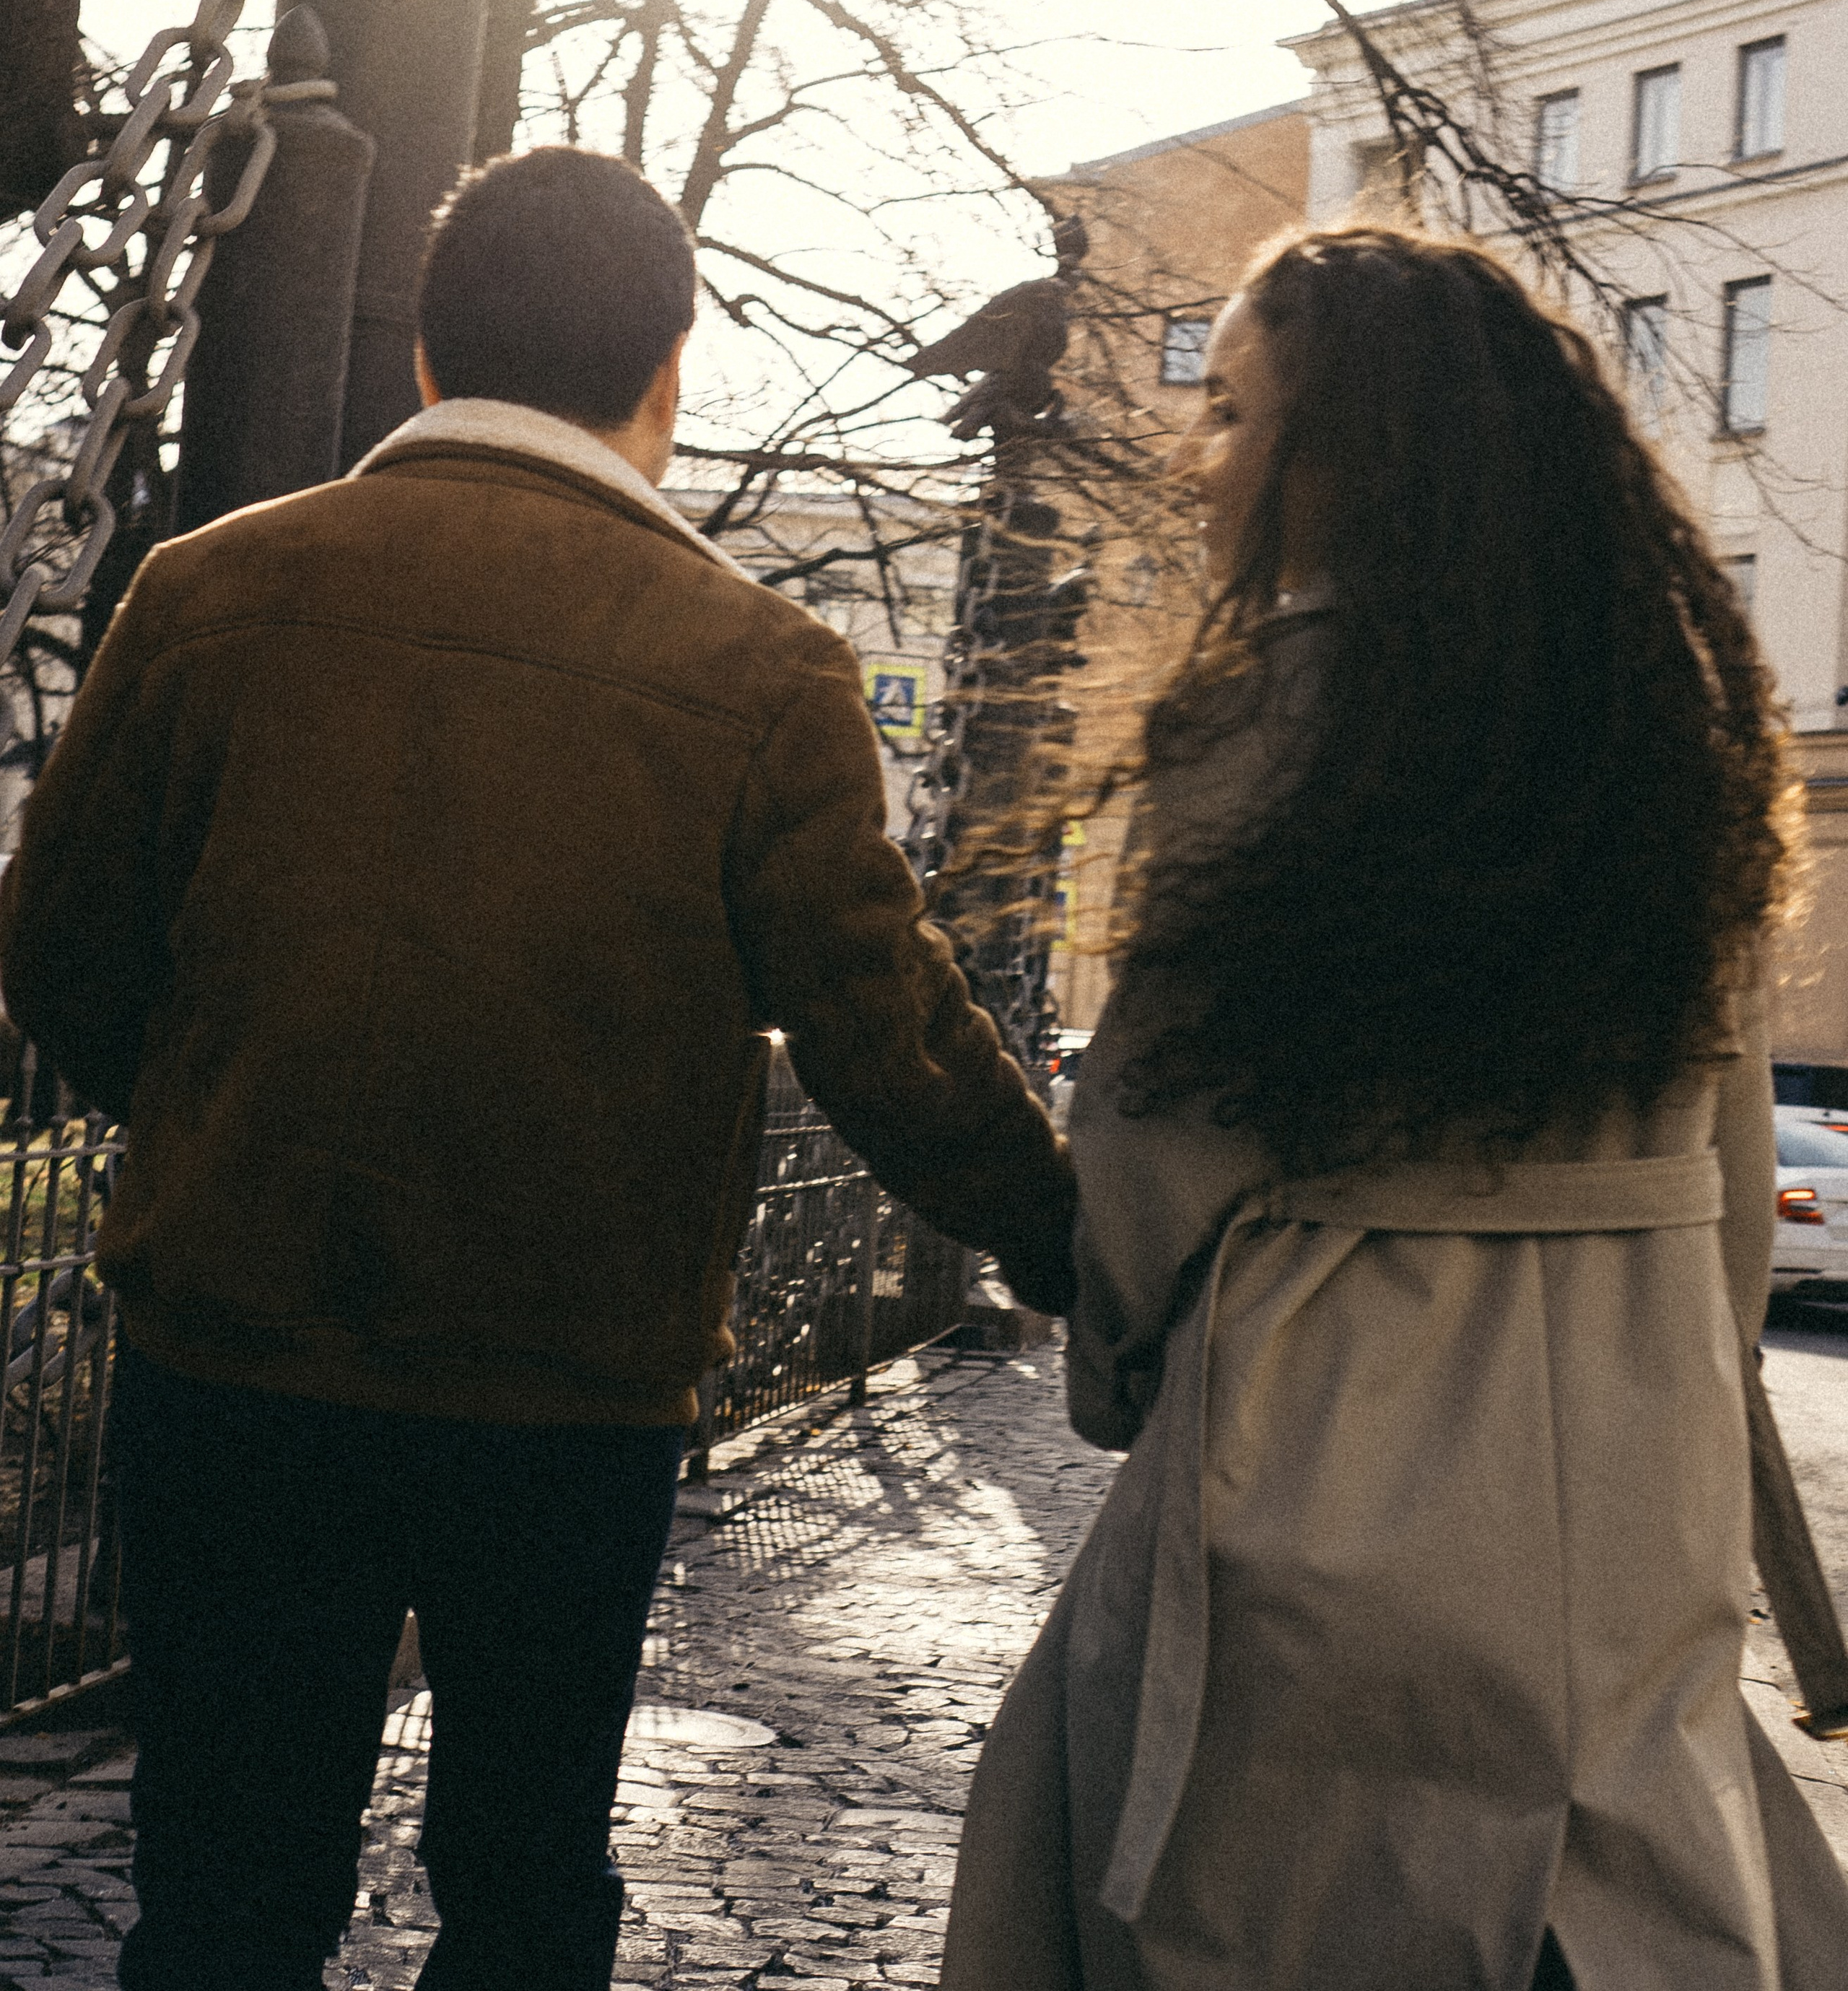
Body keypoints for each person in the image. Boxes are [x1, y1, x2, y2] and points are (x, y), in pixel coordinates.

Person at [0, 145, 1073, 1991]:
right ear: (666, 371)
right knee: (522, 1882)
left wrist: (210, 1111)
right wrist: (1076, 1242)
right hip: (567, 1394)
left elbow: (64, 953)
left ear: (426, 354)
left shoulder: (206, 593)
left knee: (226, 1889)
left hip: (239, 1348)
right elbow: (885, 1035)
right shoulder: (765, 671)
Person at [941, 225, 1848, 1991]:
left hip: (1319, 1436)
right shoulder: (1672, 737)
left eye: (1227, 411)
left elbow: (1148, 1139)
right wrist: (1669, 1349)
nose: (1199, 460)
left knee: (1247, 1893)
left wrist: (1122, 1366)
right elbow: (1726, 1180)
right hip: (1628, 1449)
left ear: (1343, 455)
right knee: (1617, 1899)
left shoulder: (1263, 722)